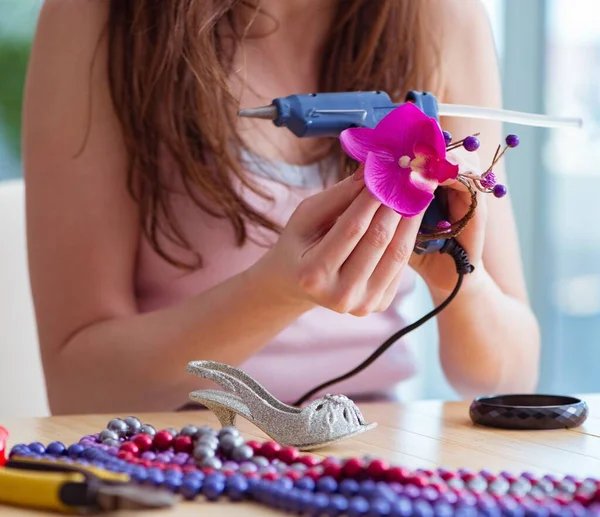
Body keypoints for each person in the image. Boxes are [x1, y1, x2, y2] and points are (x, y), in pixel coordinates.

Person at [23, 0, 540, 415]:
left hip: (369, 456)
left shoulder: (441, 15)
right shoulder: (97, 18)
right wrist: (276, 291)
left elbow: (508, 377)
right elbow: (79, 392)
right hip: (171, 458)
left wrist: (459, 278)